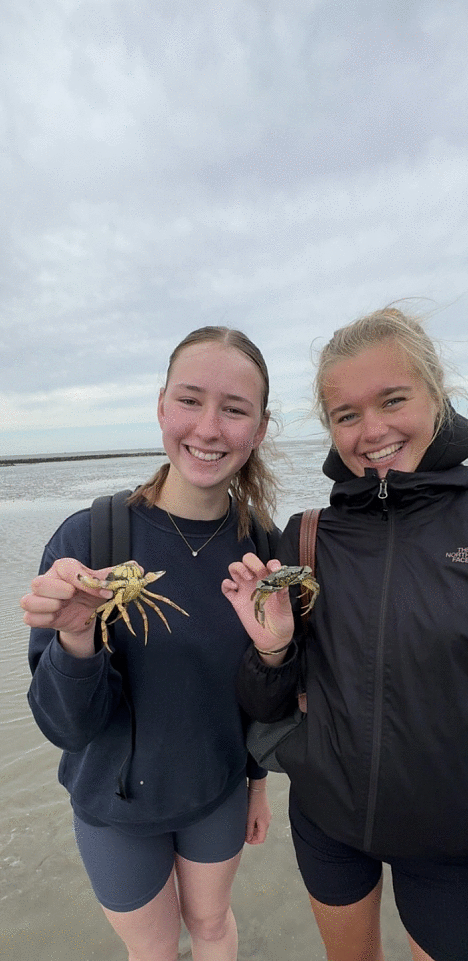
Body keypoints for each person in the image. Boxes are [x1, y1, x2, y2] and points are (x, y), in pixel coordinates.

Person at [222, 306, 468, 961]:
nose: (372, 430)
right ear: (330, 426)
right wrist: (271, 650)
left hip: (448, 848)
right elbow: (266, 706)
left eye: (392, 400)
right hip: (325, 824)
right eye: (347, 414)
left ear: (436, 394)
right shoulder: (306, 537)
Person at [22, 326, 279, 961]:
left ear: (259, 429)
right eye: (190, 400)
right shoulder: (89, 539)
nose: (209, 428)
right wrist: (77, 637)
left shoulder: (261, 545)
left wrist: (257, 781)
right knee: (155, 950)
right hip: (115, 804)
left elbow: (261, 688)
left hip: (217, 791)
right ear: (161, 406)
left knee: (212, 926)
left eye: (234, 409)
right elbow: (65, 728)